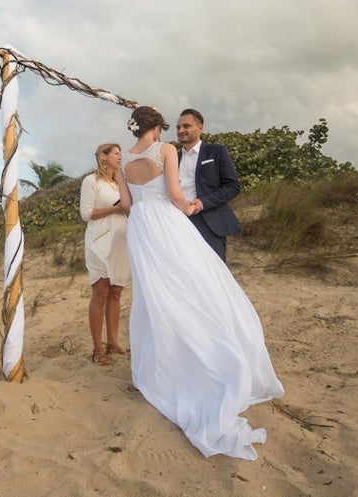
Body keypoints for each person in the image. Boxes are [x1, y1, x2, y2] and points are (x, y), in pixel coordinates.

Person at [116, 105, 284, 460]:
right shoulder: (165, 151)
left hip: (141, 229)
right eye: (166, 127)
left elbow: (128, 204)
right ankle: (208, 349)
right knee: (193, 285)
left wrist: (148, 213)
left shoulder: (121, 162)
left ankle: (165, 359)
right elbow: (176, 195)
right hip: (167, 221)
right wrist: (187, 208)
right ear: (156, 128)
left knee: (156, 295)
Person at [79, 143, 131, 366]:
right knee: (100, 292)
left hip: (121, 242)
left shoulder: (121, 183)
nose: (120, 157)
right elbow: (86, 213)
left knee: (116, 292)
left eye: (121, 154)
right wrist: (116, 208)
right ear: (103, 156)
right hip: (99, 241)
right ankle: (97, 349)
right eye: (116, 153)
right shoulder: (92, 181)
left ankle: (113, 342)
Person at [176, 108, 242, 262]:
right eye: (178, 127)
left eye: (186, 126)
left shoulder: (216, 151)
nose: (181, 130)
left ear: (200, 128)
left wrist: (203, 203)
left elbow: (233, 186)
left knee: (215, 273)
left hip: (209, 221)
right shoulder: (174, 157)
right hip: (178, 222)